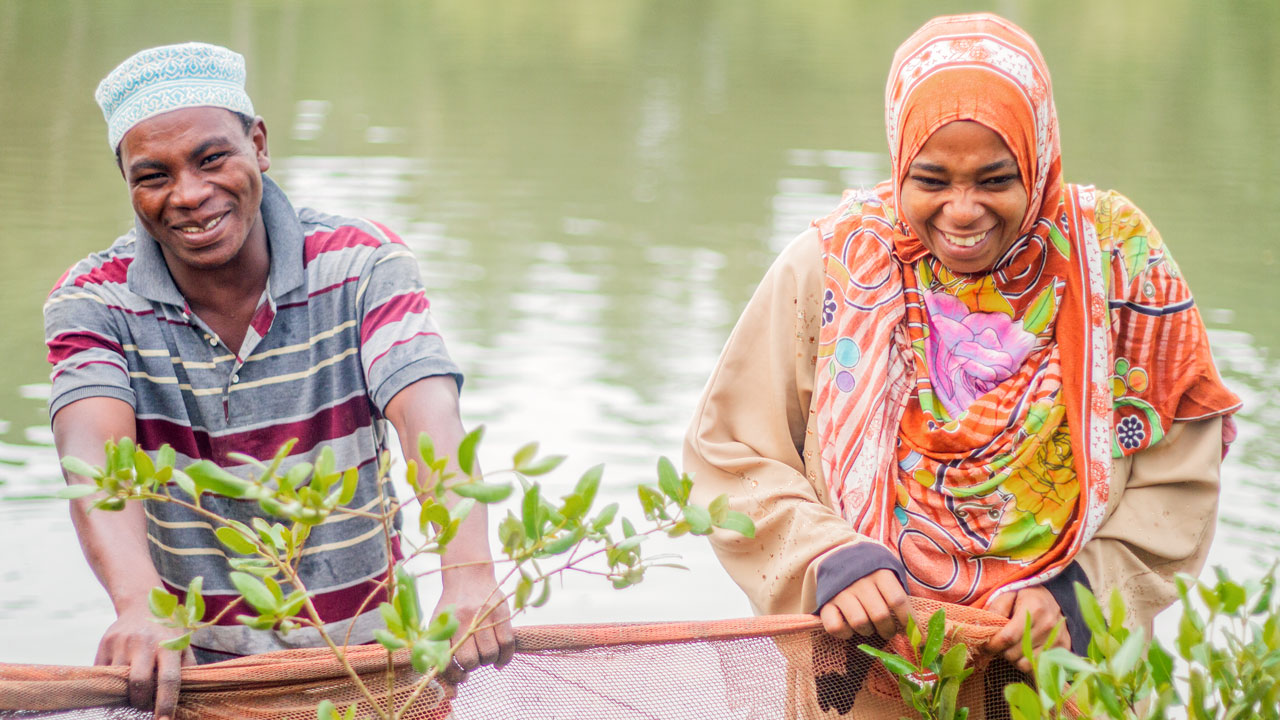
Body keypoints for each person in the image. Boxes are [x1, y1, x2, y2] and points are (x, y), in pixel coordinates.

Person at [684, 12, 1240, 678]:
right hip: (869, 668)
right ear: (899, 164)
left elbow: (1181, 468)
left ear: (1037, 163)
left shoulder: (1118, 260)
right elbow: (727, 453)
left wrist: (1083, 593)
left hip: (1058, 670)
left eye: (996, 180)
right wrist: (827, 559)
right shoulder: (834, 264)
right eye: (933, 180)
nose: (964, 210)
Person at [44, 43, 513, 719]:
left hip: (374, 674)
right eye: (153, 175)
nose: (189, 195)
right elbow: (92, 458)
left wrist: (470, 573)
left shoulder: (359, 263)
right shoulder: (93, 300)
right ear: (126, 182)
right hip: (199, 684)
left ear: (258, 145)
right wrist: (141, 607)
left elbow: (427, 413)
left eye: (212, 159)